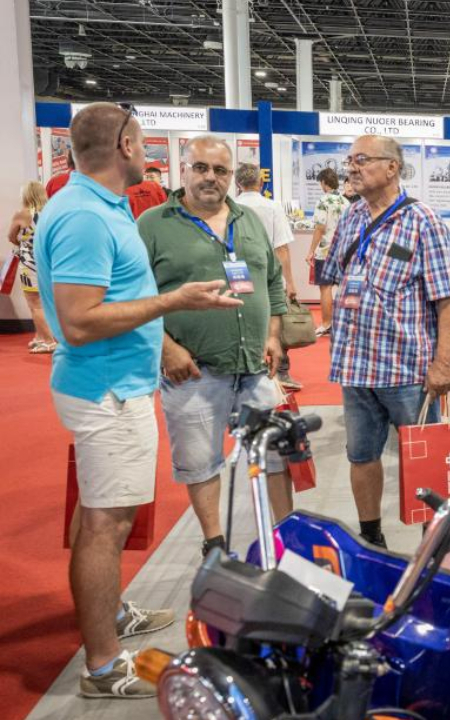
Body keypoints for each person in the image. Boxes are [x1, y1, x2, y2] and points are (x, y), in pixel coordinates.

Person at [36, 102, 241, 698]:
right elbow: (78, 321)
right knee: (107, 524)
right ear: (125, 143)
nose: (152, 150)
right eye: (145, 139)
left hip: (115, 386)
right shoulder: (84, 217)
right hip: (107, 391)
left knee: (100, 512)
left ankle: (112, 613)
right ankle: (102, 665)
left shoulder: (98, 206)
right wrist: (171, 303)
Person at [138, 136, 292, 559]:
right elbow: (132, 295)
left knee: (276, 455)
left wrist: (274, 333)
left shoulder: (250, 220)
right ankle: (215, 546)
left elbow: (272, 282)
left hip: (255, 369)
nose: (211, 177)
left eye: (220, 170)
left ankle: (285, 540)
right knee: (201, 462)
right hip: (193, 371)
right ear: (183, 169)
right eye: (201, 168)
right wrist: (166, 348)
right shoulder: (153, 224)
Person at [317, 135, 450, 549]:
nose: (352, 168)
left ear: (392, 168)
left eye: (361, 160)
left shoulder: (423, 222)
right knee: (360, 456)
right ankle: (371, 539)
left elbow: (449, 299)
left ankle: (432, 547)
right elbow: (337, 275)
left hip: (407, 371)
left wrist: (442, 363)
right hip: (355, 366)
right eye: (349, 161)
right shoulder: (351, 217)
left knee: (426, 465)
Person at [234, 162, 303, 390]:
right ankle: (281, 373)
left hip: (237, 273)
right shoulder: (272, 207)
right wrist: (289, 282)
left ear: (237, 184)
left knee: (242, 321)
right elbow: (281, 248)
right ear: (261, 182)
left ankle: (246, 370)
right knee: (276, 322)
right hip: (268, 275)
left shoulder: (230, 205)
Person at [6, 181, 56, 352]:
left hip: (29, 263)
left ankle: (49, 341)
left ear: (26, 195)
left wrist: (23, 240)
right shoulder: (51, 213)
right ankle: (40, 337)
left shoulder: (22, 214)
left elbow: (11, 237)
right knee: (46, 303)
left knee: (35, 305)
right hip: (49, 262)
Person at [305, 168, 348, 337]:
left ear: (323, 182)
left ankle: (326, 323)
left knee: (325, 288)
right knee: (342, 288)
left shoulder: (323, 201)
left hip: (325, 250)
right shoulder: (346, 201)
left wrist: (310, 250)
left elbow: (320, 228)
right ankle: (340, 324)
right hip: (343, 251)